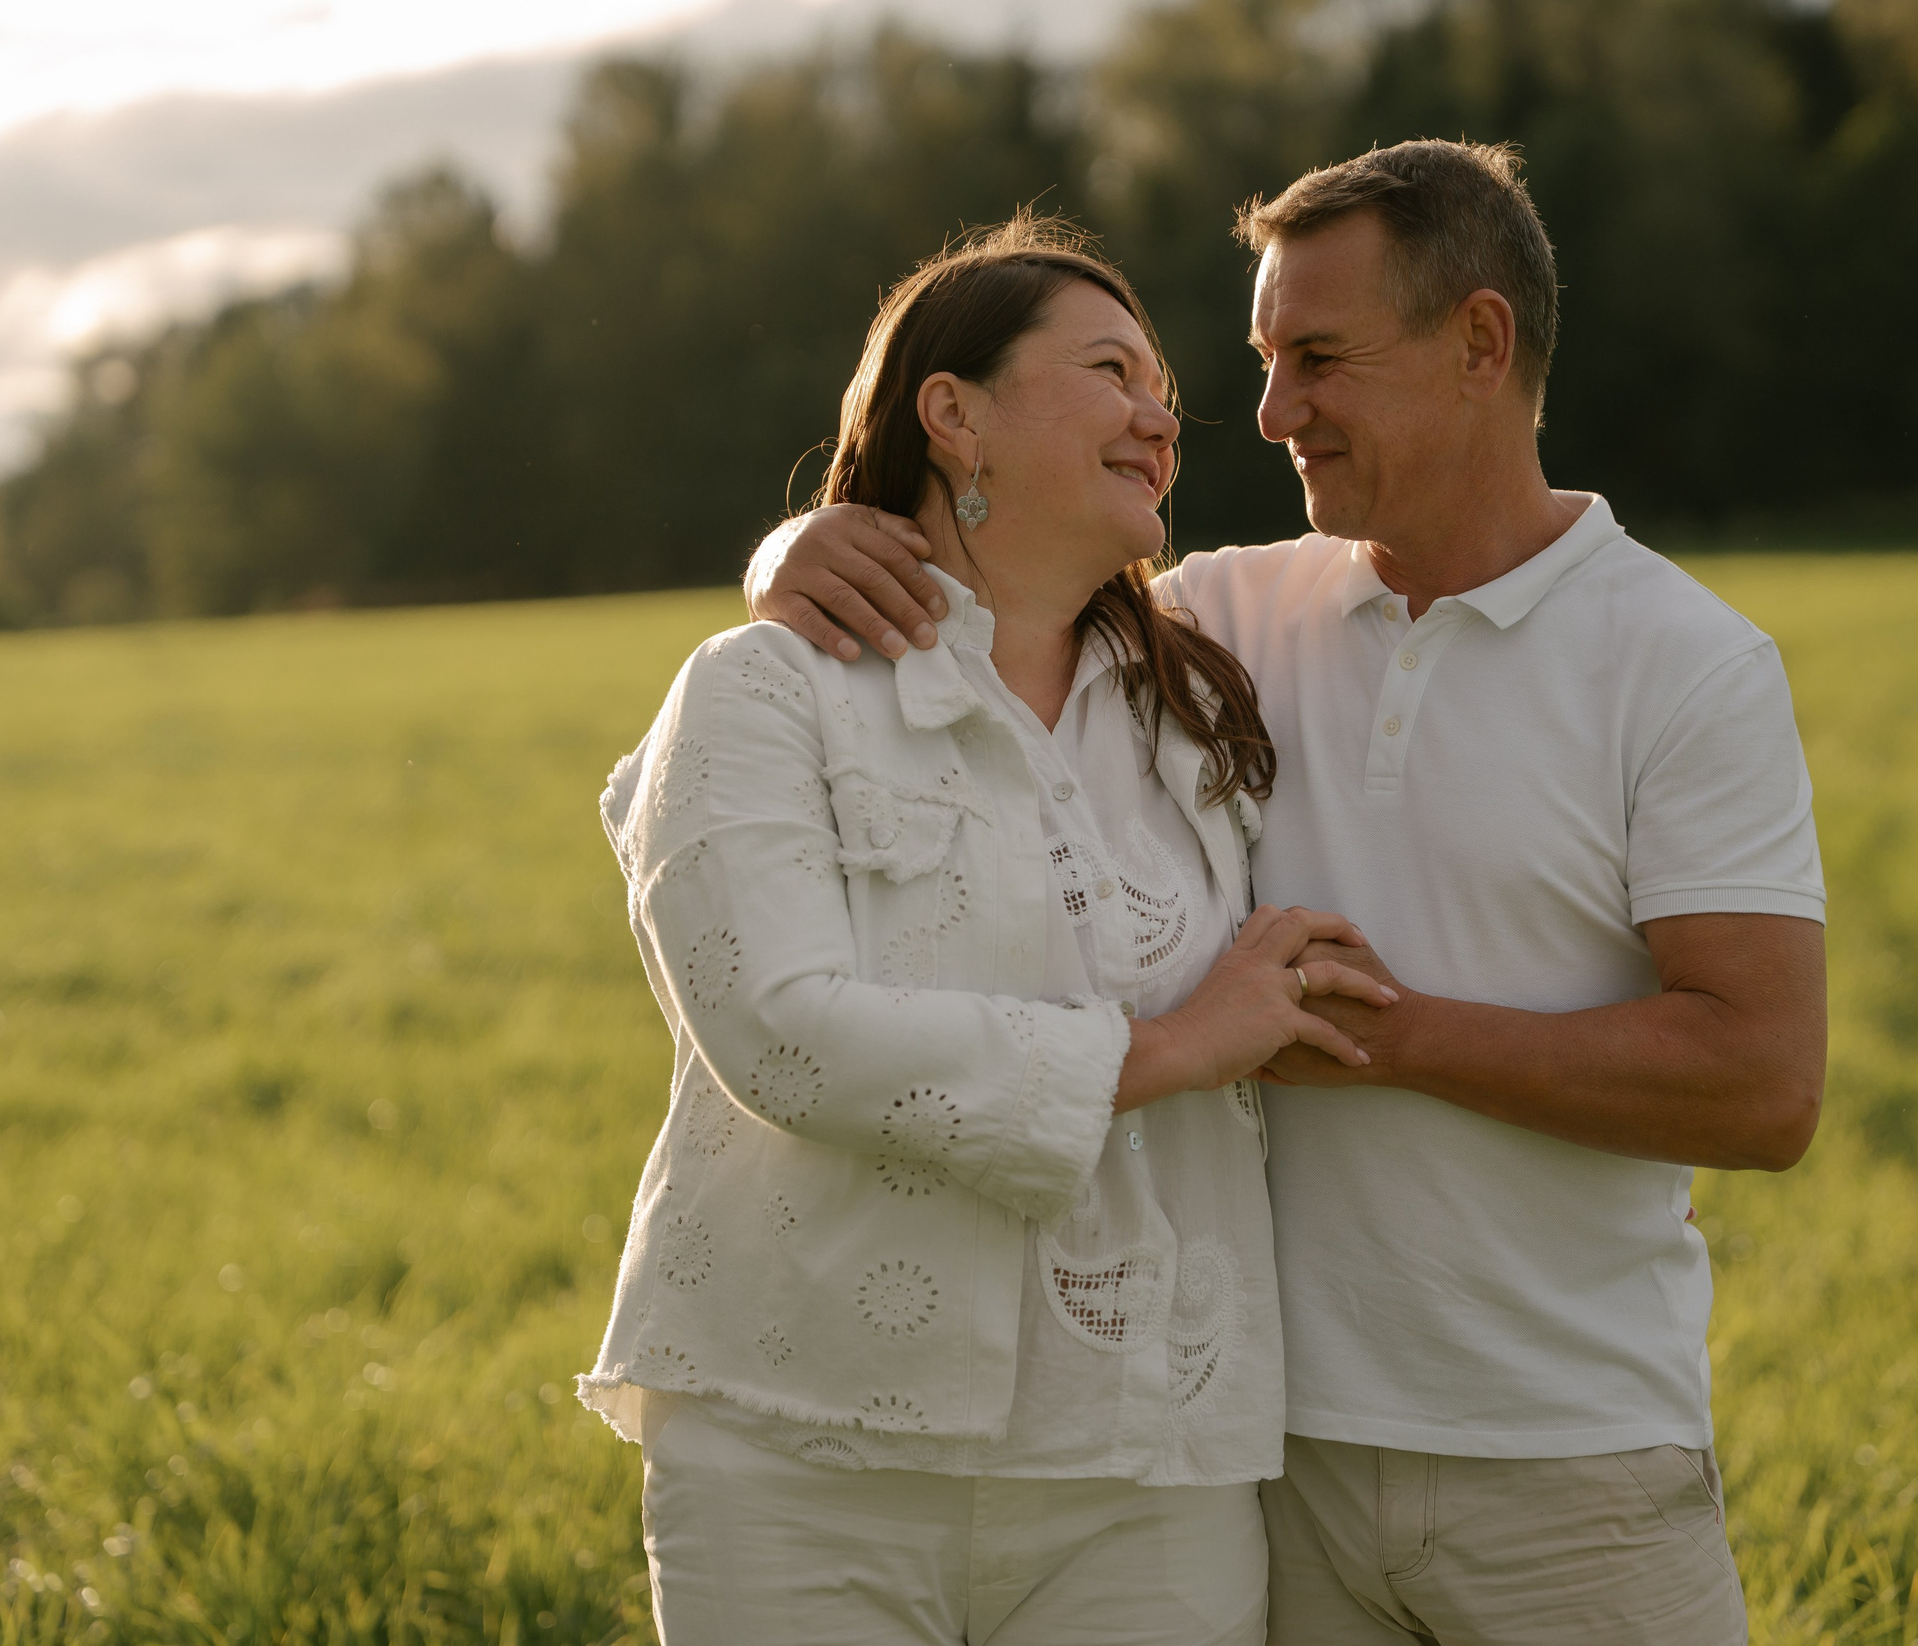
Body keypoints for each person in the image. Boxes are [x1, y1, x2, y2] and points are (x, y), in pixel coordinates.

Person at [750, 141, 1829, 1645]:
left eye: (1317, 357)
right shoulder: (1221, 623)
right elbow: (997, 594)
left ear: (1479, 344)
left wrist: (1382, 1032)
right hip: (1273, 1465)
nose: (1268, 415)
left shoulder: (1687, 664)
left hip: (1571, 1464)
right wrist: (796, 544)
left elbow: (1763, 1084)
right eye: (1263, 360)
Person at [578, 213, 1398, 1646]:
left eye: (1163, 387)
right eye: (1111, 372)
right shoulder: (765, 690)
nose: (1165, 416)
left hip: (1148, 1466)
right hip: (802, 1457)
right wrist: (1173, 1048)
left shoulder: (1205, 690)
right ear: (953, 415)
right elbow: (779, 1029)